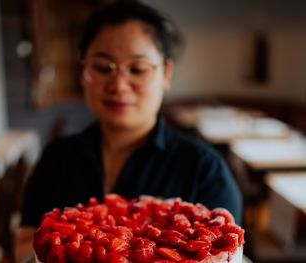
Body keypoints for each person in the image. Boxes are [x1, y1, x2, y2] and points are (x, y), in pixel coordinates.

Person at [15, 1, 242, 261]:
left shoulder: (205, 169)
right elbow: (25, 242)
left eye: (137, 69)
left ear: (166, 74)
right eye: (103, 67)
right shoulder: (56, 158)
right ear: (83, 71)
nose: (119, 85)